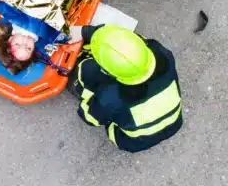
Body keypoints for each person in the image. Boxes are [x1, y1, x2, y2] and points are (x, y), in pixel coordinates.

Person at [68, 24, 182, 153]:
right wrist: (87, 32)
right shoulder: (162, 53)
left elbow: (89, 118)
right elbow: (136, 41)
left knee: (88, 79)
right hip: (175, 123)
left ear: (108, 72)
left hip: (135, 141)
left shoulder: (111, 98)